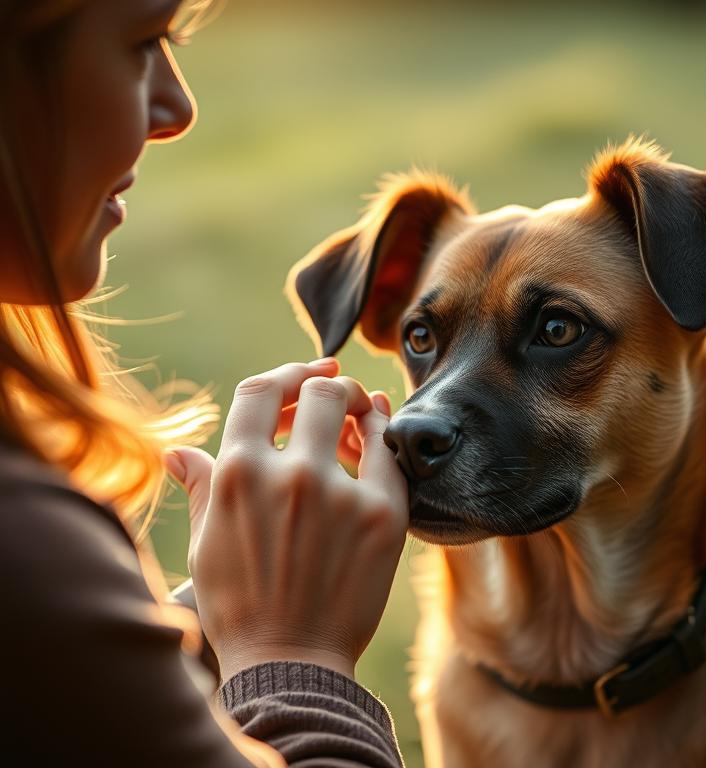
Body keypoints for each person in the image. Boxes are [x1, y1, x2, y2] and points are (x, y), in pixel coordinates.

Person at [0, 0, 409, 764]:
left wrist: (188, 623)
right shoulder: (21, 547)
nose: (177, 107)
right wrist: (295, 657)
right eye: (145, 40)